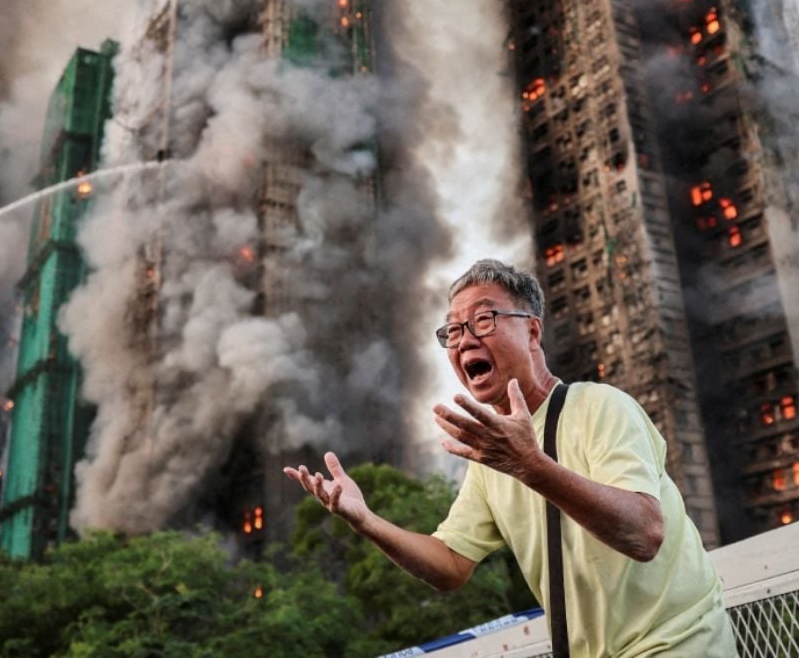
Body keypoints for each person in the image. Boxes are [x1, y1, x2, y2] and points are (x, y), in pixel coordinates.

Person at [284, 259, 738, 657]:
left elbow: (644, 533)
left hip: (677, 645)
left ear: (533, 331)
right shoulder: (492, 457)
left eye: (483, 320)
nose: (464, 340)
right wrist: (366, 521)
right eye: (453, 330)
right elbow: (450, 565)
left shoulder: (600, 406)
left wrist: (530, 466)